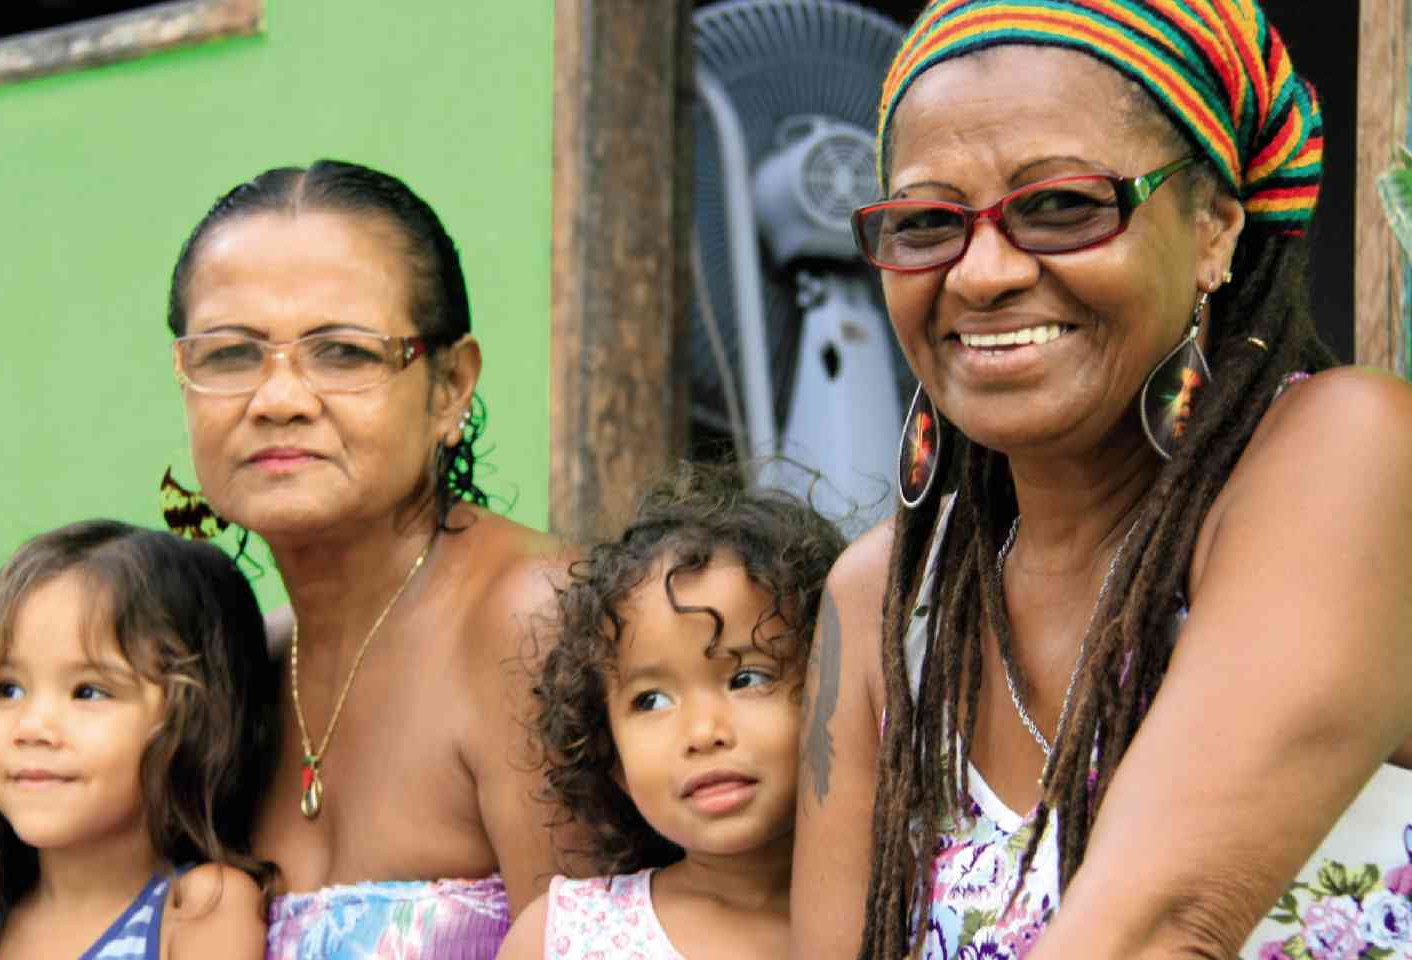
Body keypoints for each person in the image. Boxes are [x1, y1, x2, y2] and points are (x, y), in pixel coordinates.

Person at [791, 2, 1412, 958]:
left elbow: (1163, 927)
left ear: (1213, 229)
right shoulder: (881, 604)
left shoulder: (1352, 456)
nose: (983, 274)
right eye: (925, 223)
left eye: (1064, 206)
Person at [167, 159, 574, 958]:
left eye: (343, 353)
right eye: (230, 354)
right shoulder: (243, 665)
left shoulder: (532, 624)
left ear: (452, 385)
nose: (279, 398)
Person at [0, 520, 278, 960]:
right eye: (8, 689)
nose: (31, 727)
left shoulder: (198, 909)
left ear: (197, 722)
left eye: (88, 691)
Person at [497, 464, 846, 960]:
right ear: (608, 751)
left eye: (747, 678)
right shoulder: (564, 940)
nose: (703, 733)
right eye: (651, 700)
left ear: (836, 692)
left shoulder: (915, 916)